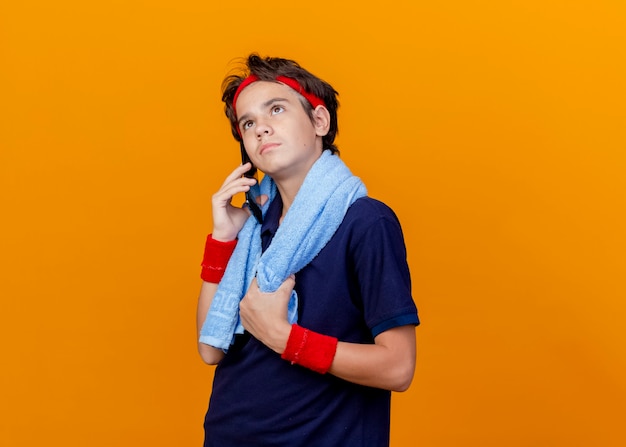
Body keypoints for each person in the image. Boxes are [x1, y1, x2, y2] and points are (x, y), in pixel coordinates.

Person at [196, 54, 419, 447]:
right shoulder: (255, 226)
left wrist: (282, 337)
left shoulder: (366, 223)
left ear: (319, 122)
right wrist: (222, 238)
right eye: (248, 123)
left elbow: (398, 367)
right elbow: (209, 348)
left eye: (276, 110)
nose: (261, 128)